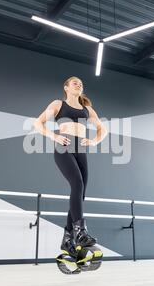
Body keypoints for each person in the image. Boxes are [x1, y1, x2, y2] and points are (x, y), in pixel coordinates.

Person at [33, 76, 108, 257]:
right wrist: (54, 136)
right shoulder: (58, 104)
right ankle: (80, 232)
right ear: (66, 87)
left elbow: (102, 129)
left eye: (81, 83)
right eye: (75, 83)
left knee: (81, 192)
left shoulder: (86, 109)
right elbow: (38, 123)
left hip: (81, 150)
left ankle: (67, 239)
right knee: (77, 183)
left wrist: (94, 141)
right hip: (64, 147)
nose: (79, 85)